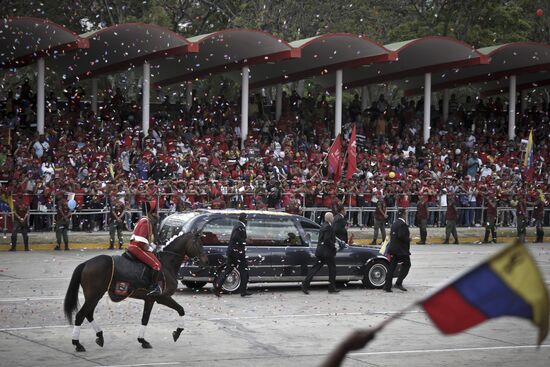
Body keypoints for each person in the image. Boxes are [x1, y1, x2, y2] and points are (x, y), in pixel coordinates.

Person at [127, 202, 162, 296]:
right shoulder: (146, 222)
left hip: (138, 246)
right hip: (137, 247)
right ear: (151, 212)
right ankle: (153, 287)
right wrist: (150, 248)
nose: (157, 215)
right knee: (156, 265)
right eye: (156, 212)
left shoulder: (144, 220)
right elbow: (141, 240)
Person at [213, 213, 252, 297]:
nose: (247, 221)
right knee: (244, 271)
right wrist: (245, 242)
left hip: (232, 253)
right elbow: (235, 238)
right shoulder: (240, 227)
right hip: (237, 254)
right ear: (244, 219)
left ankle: (217, 287)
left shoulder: (237, 225)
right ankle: (243, 291)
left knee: (228, 270)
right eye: (247, 219)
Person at [301, 212, 340, 294]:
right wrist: (334, 245)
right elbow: (327, 239)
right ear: (330, 218)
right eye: (332, 217)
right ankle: (331, 287)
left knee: (315, 268)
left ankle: (305, 283)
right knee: (332, 269)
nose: (333, 218)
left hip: (322, 252)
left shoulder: (323, 226)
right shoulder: (328, 227)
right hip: (327, 252)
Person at [384, 208, 411, 292]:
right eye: (405, 213)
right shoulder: (403, 224)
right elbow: (401, 236)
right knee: (407, 265)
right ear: (403, 214)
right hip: (401, 250)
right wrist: (408, 239)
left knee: (391, 267)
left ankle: (387, 286)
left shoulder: (395, 223)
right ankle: (398, 283)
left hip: (393, 249)